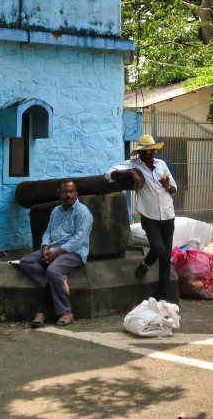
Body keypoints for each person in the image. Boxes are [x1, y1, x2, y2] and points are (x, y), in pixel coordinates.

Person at [106, 134, 178, 302]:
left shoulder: (162, 165)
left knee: (166, 258)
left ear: (154, 151)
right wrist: (131, 173)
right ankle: (146, 263)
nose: (147, 155)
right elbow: (109, 173)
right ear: (139, 153)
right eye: (144, 152)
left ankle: (163, 297)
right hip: (149, 216)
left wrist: (166, 185)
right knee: (158, 248)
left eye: (150, 151)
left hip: (168, 214)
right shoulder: (133, 164)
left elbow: (174, 189)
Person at [18, 179, 93, 327]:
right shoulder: (55, 211)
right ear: (59, 194)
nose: (68, 195)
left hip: (74, 252)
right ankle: (55, 283)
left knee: (53, 270)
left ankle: (66, 312)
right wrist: (45, 247)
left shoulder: (83, 212)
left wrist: (57, 252)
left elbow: (79, 239)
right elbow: (47, 233)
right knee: (26, 262)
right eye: (65, 192)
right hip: (53, 249)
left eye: (71, 192)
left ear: (76, 194)